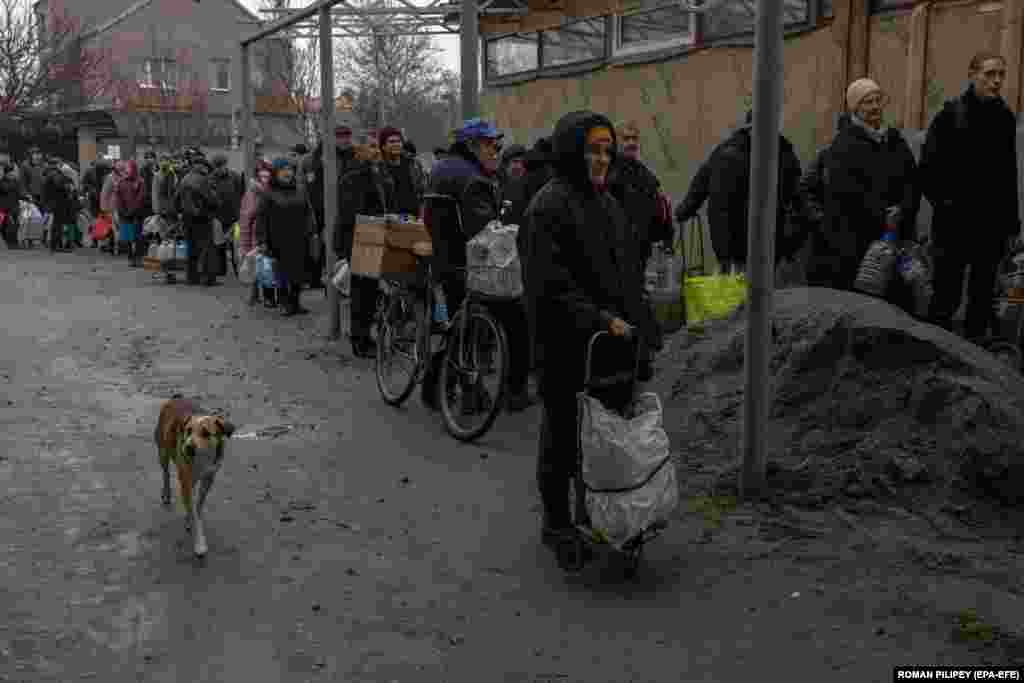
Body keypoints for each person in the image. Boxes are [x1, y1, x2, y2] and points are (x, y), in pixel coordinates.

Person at [523, 110, 655, 552]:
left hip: (610, 347)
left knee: (604, 440)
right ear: (571, 153)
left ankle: (600, 513)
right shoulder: (548, 206)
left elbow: (627, 275)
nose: (602, 160)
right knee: (561, 436)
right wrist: (600, 319)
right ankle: (556, 523)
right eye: (592, 151)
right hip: (565, 345)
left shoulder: (610, 204)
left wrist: (643, 330)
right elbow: (550, 285)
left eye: (606, 151)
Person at [425, 118, 534, 412]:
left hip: (442, 265)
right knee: (516, 322)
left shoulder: (440, 168)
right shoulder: (473, 178)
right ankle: (514, 392)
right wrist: (510, 235)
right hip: (472, 269)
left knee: (452, 327)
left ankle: (436, 389)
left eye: (496, 144)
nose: (495, 150)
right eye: (489, 144)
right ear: (472, 145)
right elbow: (482, 230)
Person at [921, 52, 1021, 341]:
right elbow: (927, 170)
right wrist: (947, 204)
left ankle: (973, 366)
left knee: (982, 298)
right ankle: (935, 355)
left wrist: (1012, 224)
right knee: (945, 296)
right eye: (989, 74)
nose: (997, 80)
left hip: (990, 228)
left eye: (1001, 74)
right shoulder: (951, 114)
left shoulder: (1004, 118)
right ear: (972, 74)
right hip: (953, 226)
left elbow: (1007, 175)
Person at [813, 79, 920, 294]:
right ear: (855, 108)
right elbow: (845, 193)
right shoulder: (844, 145)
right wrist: (882, 214)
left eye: (877, 100)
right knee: (864, 297)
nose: (874, 107)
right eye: (867, 103)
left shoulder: (895, 141)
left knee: (897, 297)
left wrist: (904, 208)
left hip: (896, 236)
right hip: (857, 242)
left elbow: (913, 180)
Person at [676, 110, 803, 274]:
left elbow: (699, 187)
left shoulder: (724, 152)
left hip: (733, 249)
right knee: (762, 295)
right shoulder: (784, 154)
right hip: (764, 248)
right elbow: (799, 201)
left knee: (733, 294)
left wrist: (683, 211)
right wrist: (790, 244)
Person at [334, 143, 392, 357]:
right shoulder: (353, 177)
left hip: (371, 236)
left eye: (377, 149)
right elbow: (352, 214)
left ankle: (364, 337)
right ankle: (360, 340)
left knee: (368, 292)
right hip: (361, 239)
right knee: (362, 294)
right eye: (371, 149)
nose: (376, 152)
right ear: (359, 154)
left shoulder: (374, 174)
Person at [254, 158, 311, 317]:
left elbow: (308, 212)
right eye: (283, 170)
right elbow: (261, 218)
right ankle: (285, 302)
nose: (287, 172)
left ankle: (296, 302)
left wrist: (312, 232)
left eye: (290, 169)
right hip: (277, 240)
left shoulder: (300, 191)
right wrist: (262, 240)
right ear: (276, 173)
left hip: (299, 239)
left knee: (298, 273)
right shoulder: (268, 193)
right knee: (282, 274)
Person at [175, 157, 222, 286]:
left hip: (187, 218)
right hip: (202, 217)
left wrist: (180, 212)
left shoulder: (184, 179)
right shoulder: (202, 180)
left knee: (191, 247)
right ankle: (208, 278)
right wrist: (217, 204)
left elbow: (176, 198)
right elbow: (211, 199)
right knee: (207, 247)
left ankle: (191, 277)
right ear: (201, 166)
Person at [239, 160, 273, 307]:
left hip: (270, 234)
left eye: (268, 176)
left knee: (267, 266)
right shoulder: (252, 194)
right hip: (256, 236)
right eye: (263, 176)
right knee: (259, 264)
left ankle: (267, 297)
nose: (265, 179)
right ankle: (256, 295)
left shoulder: (273, 191)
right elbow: (246, 220)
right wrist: (245, 244)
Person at [114, 160, 148, 266]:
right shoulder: (122, 182)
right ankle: (131, 258)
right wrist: (122, 211)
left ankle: (137, 258)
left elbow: (141, 198)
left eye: (129, 168)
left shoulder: (140, 182)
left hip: (136, 213)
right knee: (128, 237)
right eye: (127, 168)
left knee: (138, 237)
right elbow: (118, 198)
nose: (127, 170)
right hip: (126, 214)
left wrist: (131, 210)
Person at [42, 157, 77, 253]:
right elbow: (59, 184)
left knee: (56, 224)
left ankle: (56, 244)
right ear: (57, 164)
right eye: (60, 164)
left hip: (54, 202)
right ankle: (56, 245)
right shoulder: (54, 173)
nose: (61, 165)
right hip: (57, 203)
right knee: (57, 224)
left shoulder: (51, 173)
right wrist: (68, 186)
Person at [0, 164, 19, 248]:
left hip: (14, 206)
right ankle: (11, 243)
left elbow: (18, 192)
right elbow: (6, 189)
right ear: (7, 173)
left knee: (15, 224)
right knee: (8, 225)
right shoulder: (3, 181)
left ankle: (13, 242)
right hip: (5, 208)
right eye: (13, 172)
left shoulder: (15, 181)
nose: (15, 174)